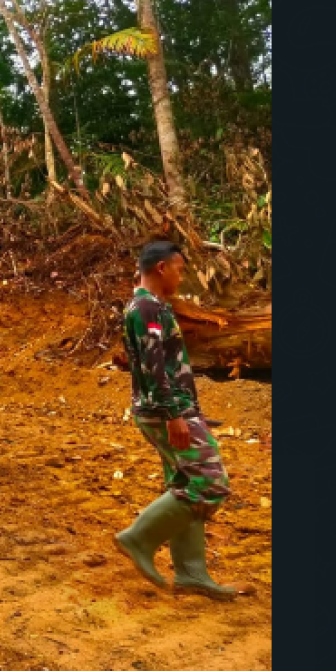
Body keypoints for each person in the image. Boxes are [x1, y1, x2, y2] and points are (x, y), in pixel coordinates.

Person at [113, 241, 244, 599]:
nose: (181, 277)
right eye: (179, 269)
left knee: (186, 483)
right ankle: (139, 537)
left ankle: (191, 573)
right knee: (209, 483)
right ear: (161, 268)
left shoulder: (148, 306)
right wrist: (174, 414)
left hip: (169, 409)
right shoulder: (147, 308)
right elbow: (154, 367)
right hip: (166, 412)